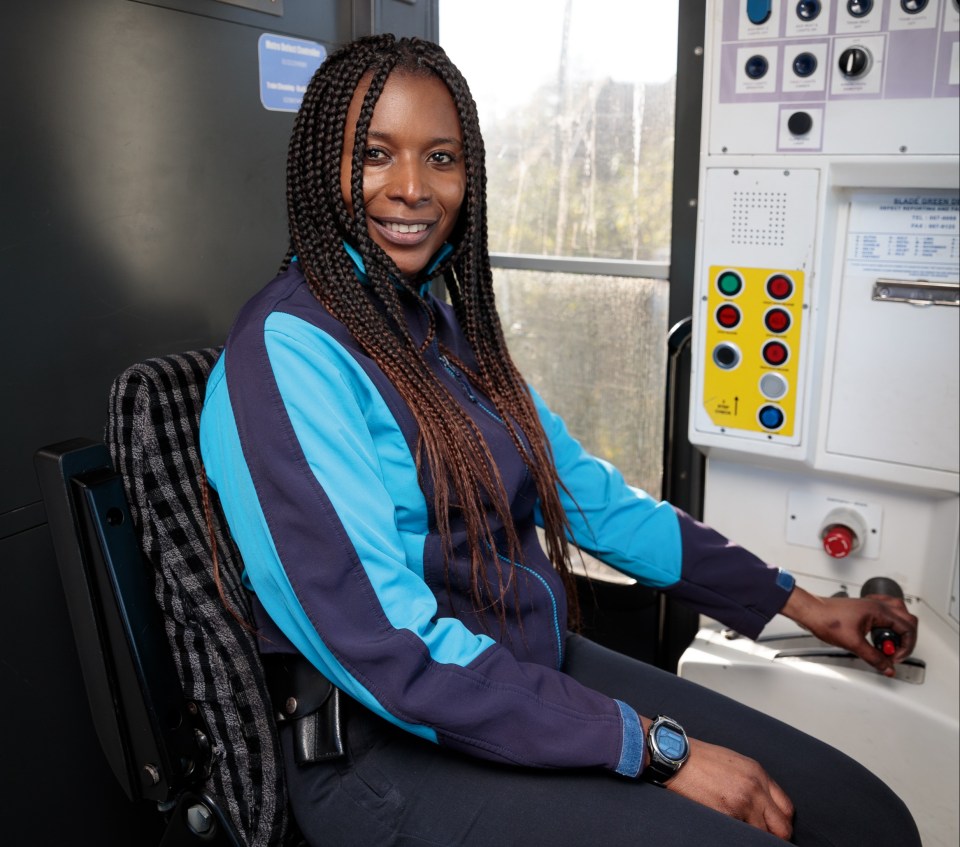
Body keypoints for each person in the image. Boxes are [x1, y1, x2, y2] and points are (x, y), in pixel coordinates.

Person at [199, 34, 921, 846]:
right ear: (320, 167)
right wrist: (651, 748)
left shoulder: (435, 328)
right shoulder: (285, 357)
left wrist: (804, 603)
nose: (411, 188)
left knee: (867, 818)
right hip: (383, 749)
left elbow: (592, 498)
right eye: (374, 153)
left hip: (517, 669)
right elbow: (388, 650)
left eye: (441, 157)